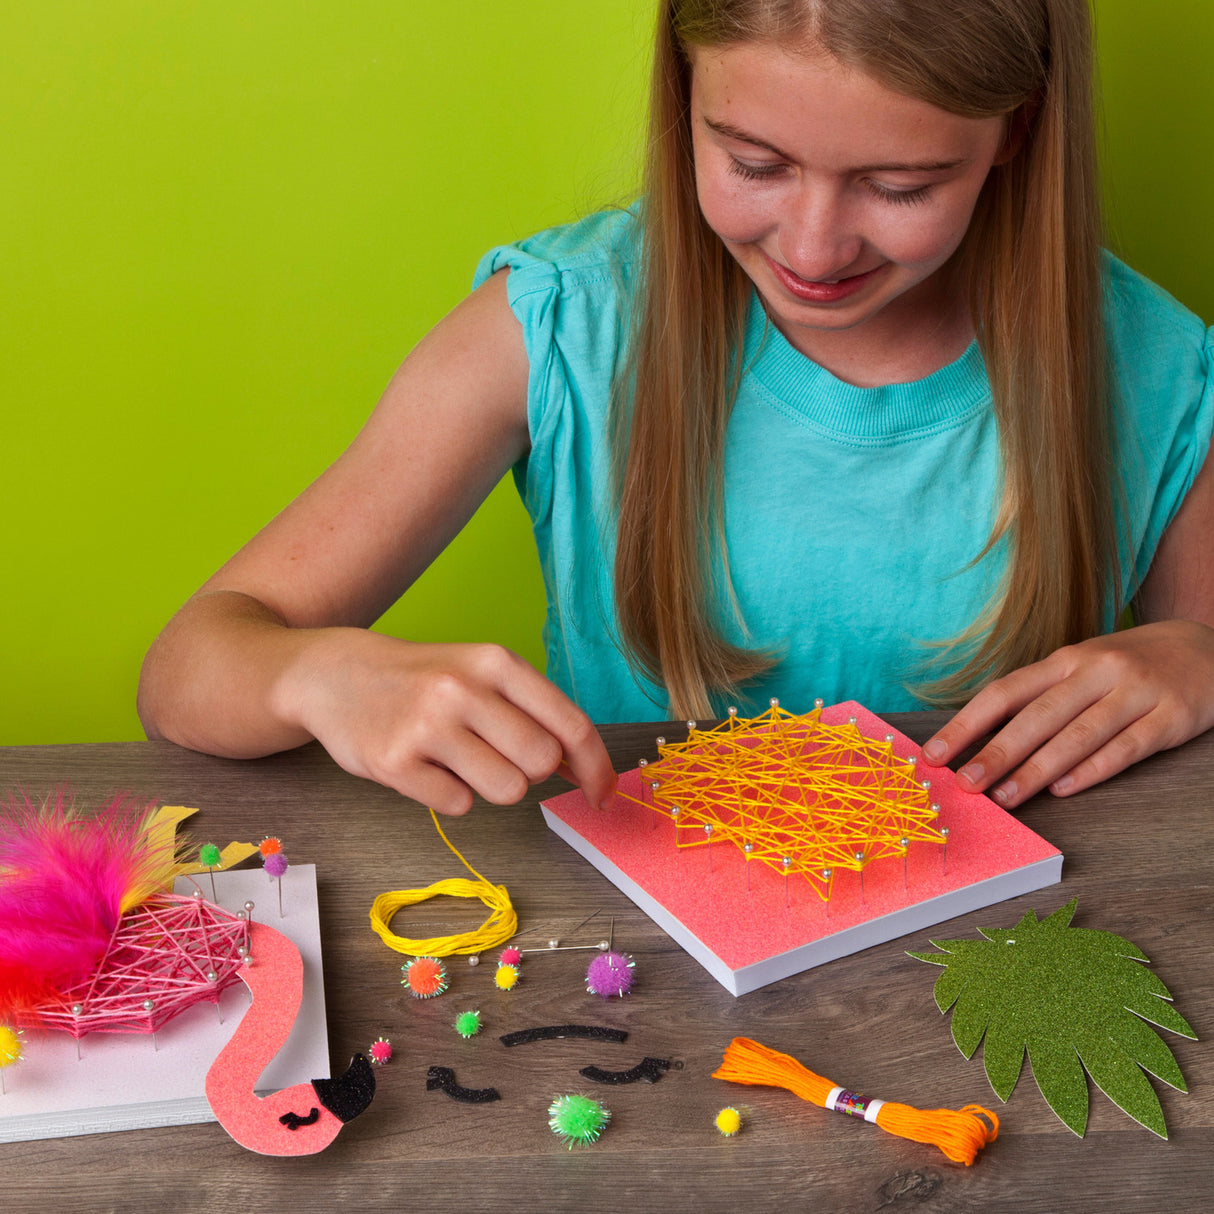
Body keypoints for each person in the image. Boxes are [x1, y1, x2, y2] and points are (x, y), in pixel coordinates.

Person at [138, 0, 1214, 819]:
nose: (809, 248)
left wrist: (1195, 659)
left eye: (898, 186)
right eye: (752, 163)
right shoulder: (561, 324)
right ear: (682, 96)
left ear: (1014, 134)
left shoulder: (1158, 368)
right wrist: (318, 673)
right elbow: (189, 666)